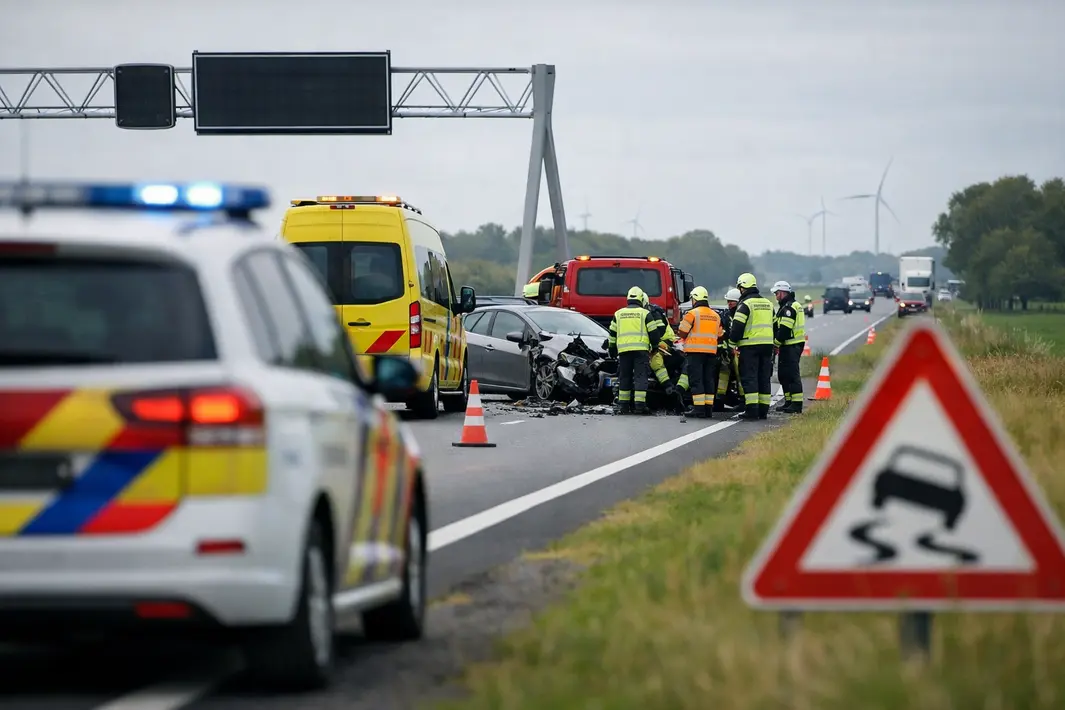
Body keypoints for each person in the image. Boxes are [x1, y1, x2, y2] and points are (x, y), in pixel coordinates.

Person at [727, 273, 775, 420]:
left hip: (750, 346)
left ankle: (752, 411)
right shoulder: (768, 303)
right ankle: (763, 410)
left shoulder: (745, 304)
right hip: (767, 346)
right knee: (764, 377)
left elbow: (737, 327)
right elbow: (776, 325)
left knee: (750, 377)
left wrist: (731, 344)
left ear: (743, 287)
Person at [608, 286, 662, 415]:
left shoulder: (618, 313)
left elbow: (612, 334)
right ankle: (639, 406)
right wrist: (655, 347)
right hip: (640, 351)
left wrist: (612, 349)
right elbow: (654, 333)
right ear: (640, 298)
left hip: (624, 352)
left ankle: (623, 406)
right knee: (640, 377)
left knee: (624, 377)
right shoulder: (645, 314)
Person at [677, 286, 723, 419]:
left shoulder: (692, 314)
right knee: (708, 379)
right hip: (711, 352)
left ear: (695, 298)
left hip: (695, 352)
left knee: (696, 380)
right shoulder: (715, 315)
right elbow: (720, 334)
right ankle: (708, 409)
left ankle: (698, 409)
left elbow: (682, 332)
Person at [772, 280, 806, 413]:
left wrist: (776, 343)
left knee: (792, 374)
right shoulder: (787, 305)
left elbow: (785, 329)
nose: (775, 296)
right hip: (789, 345)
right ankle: (789, 401)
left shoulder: (789, 307)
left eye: (776, 293)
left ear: (782, 292)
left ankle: (796, 404)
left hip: (792, 345)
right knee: (784, 374)